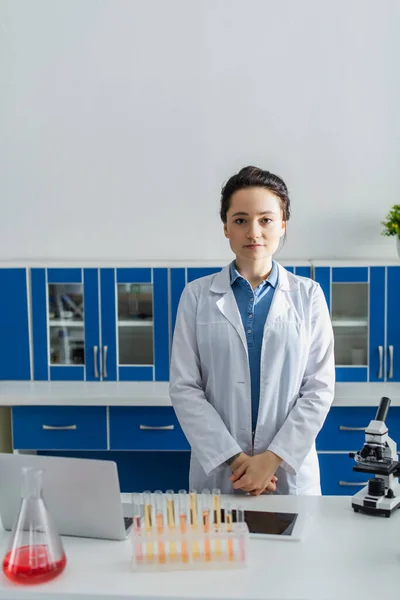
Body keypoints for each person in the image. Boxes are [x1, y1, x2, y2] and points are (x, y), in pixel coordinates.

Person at [169, 166, 335, 495]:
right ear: (226, 228)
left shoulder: (308, 296)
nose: (253, 232)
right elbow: (185, 388)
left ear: (283, 225)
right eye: (241, 220)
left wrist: (271, 460)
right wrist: (236, 461)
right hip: (222, 473)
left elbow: (318, 389)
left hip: (287, 474)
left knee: (294, 545)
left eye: (266, 219)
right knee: (220, 548)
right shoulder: (197, 295)